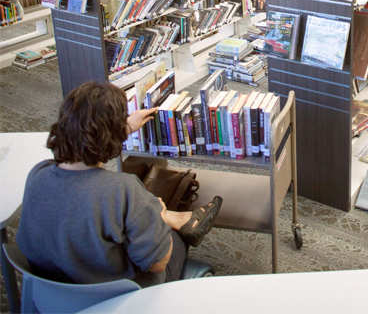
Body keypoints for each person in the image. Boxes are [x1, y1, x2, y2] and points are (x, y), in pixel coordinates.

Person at [17, 81, 222, 286]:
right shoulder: (123, 190)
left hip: (52, 293)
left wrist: (126, 127)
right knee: (173, 237)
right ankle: (173, 220)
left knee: (137, 217)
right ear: (112, 135)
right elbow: (157, 264)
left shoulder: (38, 175)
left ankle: (171, 218)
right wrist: (158, 218)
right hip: (113, 297)